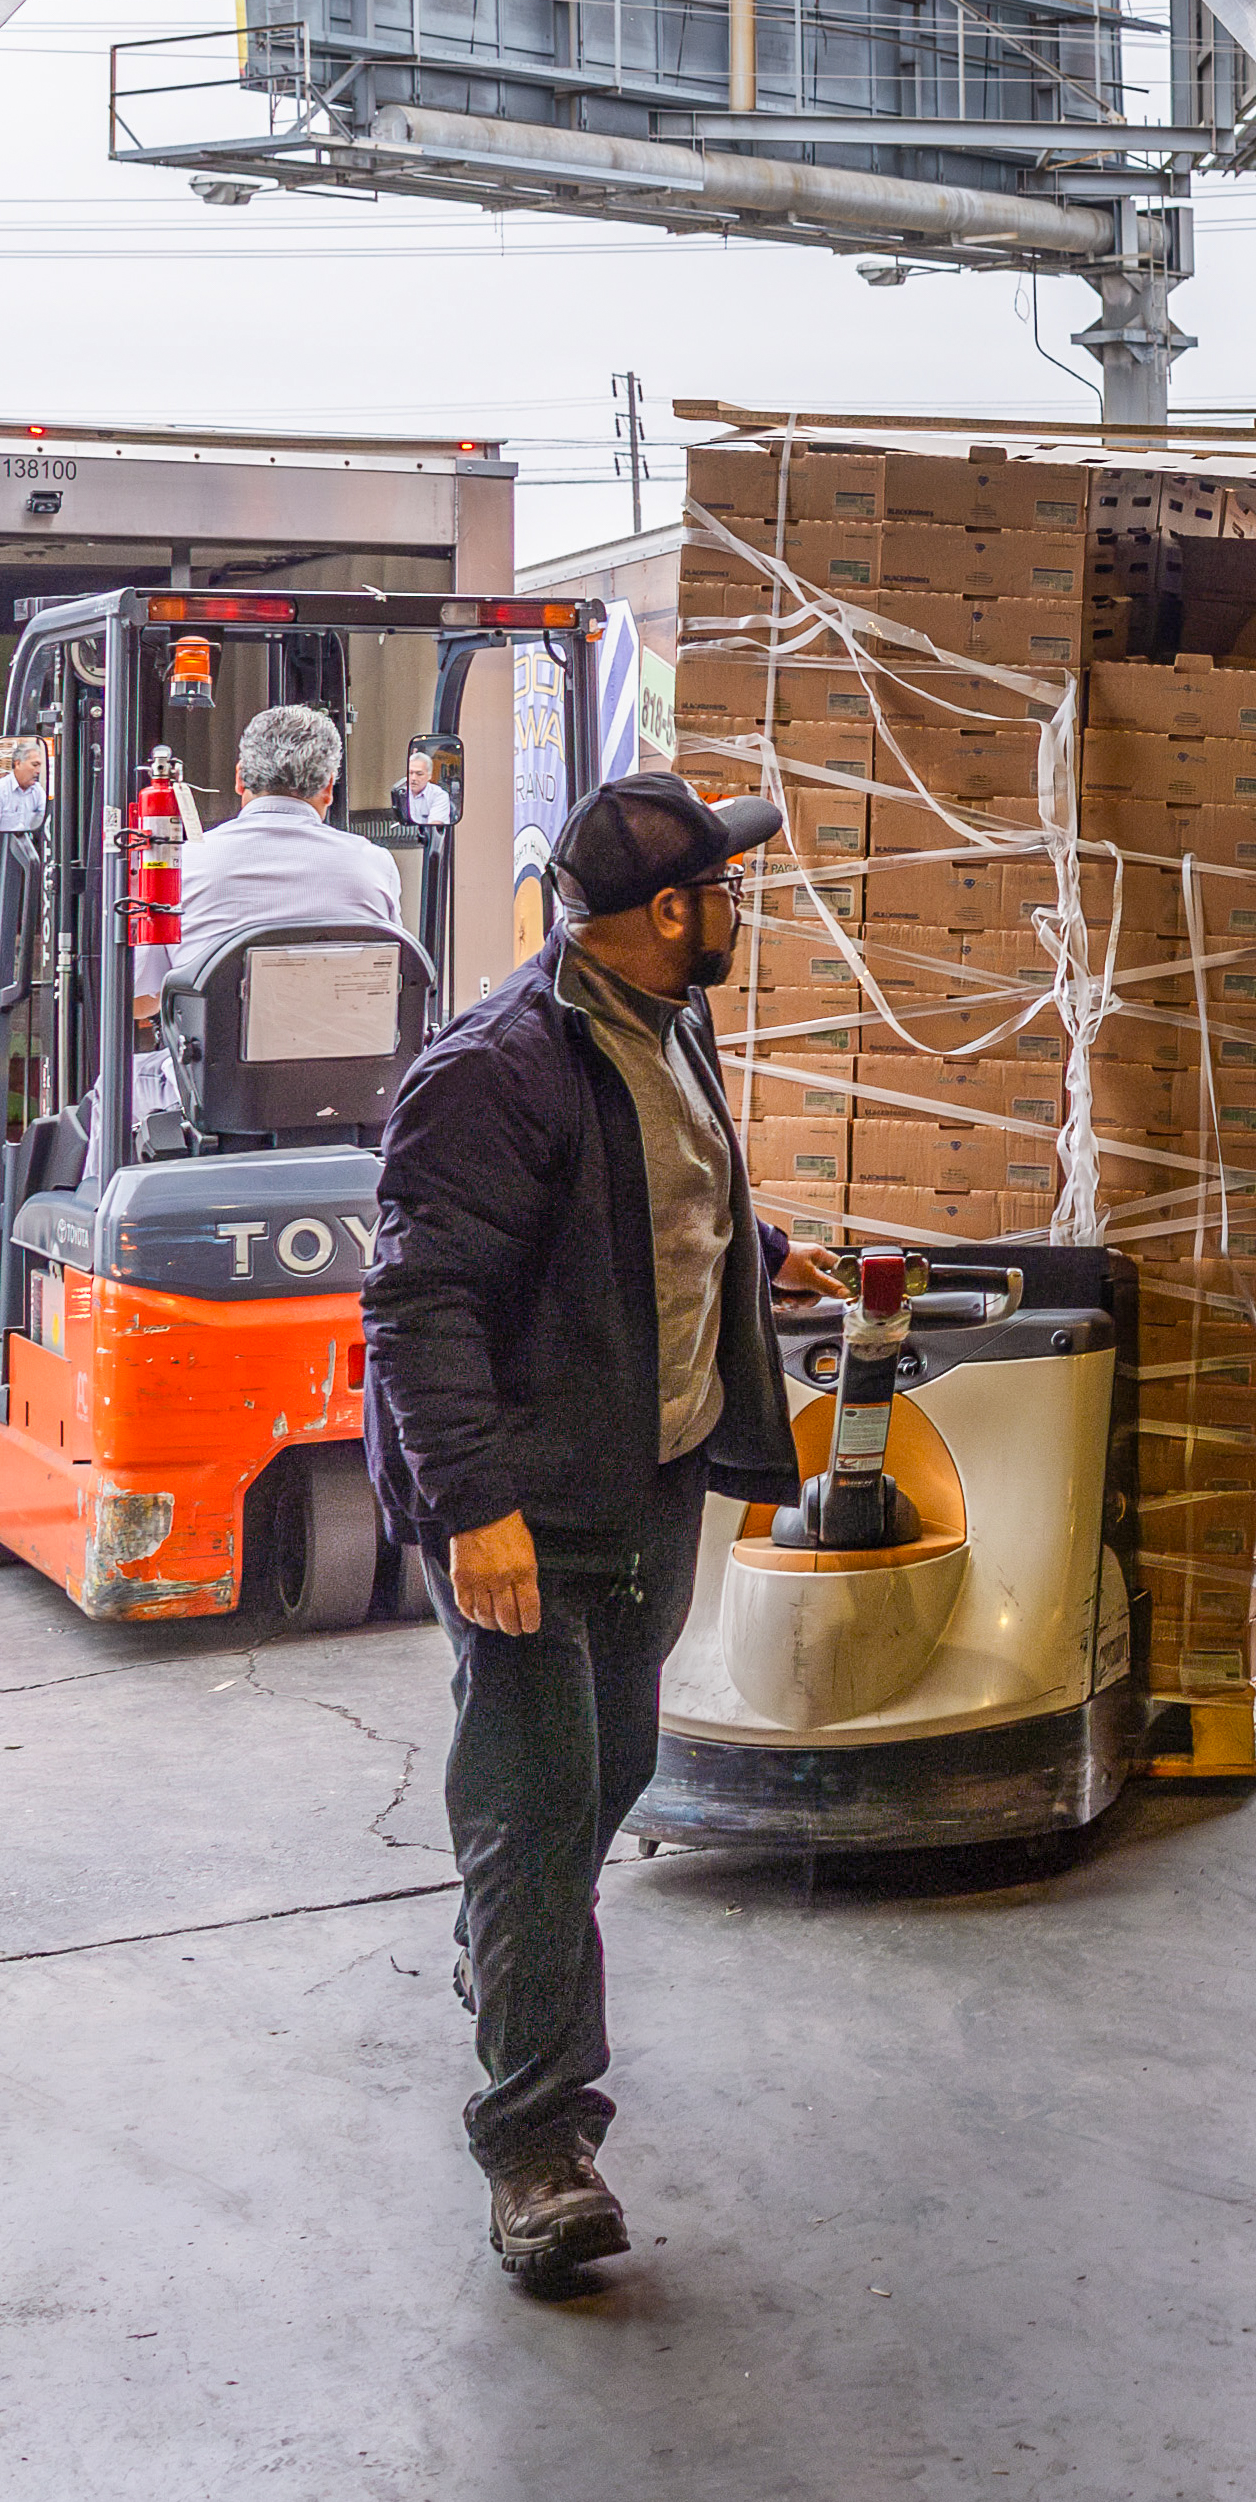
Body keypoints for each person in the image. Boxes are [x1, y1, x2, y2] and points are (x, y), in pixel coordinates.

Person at [362, 770, 834, 2290]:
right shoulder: (494, 1069)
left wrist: (753, 1247)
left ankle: (510, 1946)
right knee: (540, 1804)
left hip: (650, 1476)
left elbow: (646, 1185)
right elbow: (418, 1304)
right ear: (668, 912)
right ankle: (537, 2147)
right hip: (526, 1505)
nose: (744, 909)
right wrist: (475, 1511)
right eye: (724, 889)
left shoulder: (659, 1024)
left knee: (606, 1770)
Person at [172, 702, 411, 970]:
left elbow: (142, 999)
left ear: (239, 778)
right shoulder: (375, 864)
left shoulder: (182, 865)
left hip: (217, 1014)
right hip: (341, 1013)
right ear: (328, 787)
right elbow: (391, 973)